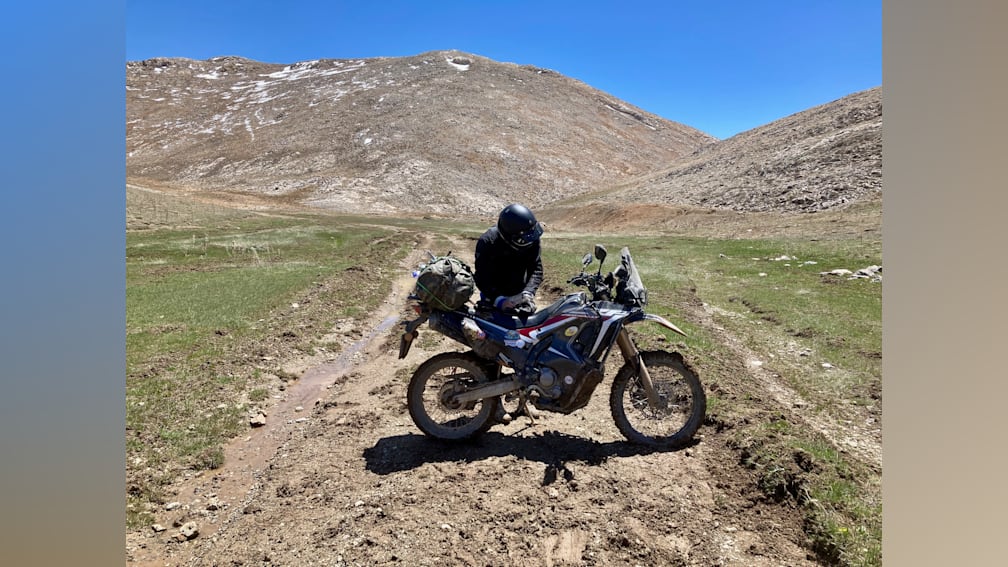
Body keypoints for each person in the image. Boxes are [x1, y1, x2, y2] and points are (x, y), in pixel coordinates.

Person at [474, 203, 544, 313]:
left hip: (518, 292)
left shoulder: (532, 238)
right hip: (492, 295)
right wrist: (498, 300)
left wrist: (528, 294)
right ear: (510, 236)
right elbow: (482, 276)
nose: (529, 241)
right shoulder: (487, 242)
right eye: (523, 239)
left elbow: (536, 268)